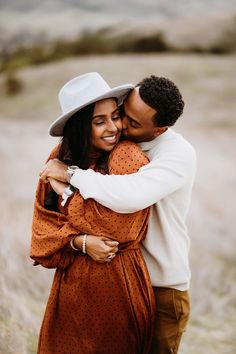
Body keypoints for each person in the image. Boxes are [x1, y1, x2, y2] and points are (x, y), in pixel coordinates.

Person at [40, 75, 197, 354]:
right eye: (123, 112)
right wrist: (80, 241)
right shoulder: (102, 147)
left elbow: (129, 196)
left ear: (159, 130)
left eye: (132, 123)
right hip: (114, 284)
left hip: (161, 286)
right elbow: (46, 223)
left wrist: (69, 178)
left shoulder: (176, 154)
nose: (121, 125)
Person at [31, 72, 156, 354]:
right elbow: (41, 229)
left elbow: (118, 229)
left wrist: (67, 191)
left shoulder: (126, 155)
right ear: (78, 128)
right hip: (71, 285)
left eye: (116, 115)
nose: (113, 127)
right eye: (100, 121)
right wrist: (80, 242)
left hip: (118, 283)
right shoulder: (59, 157)